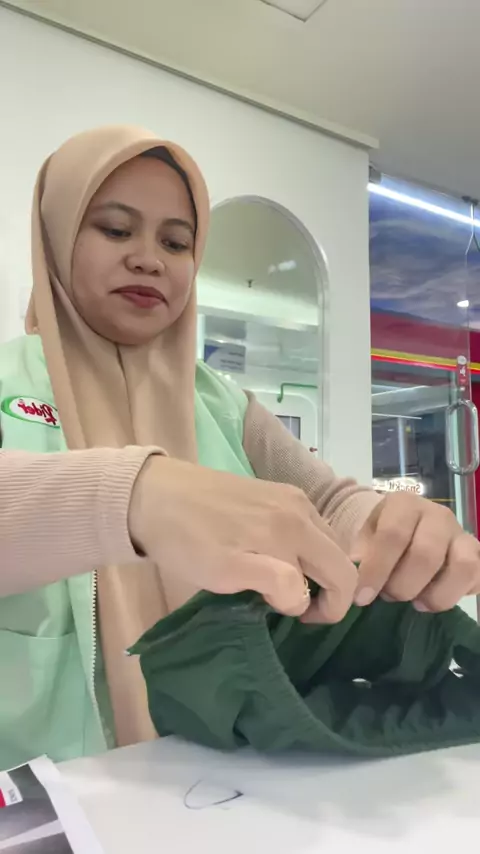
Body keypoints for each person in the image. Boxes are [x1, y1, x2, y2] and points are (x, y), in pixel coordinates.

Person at [0, 125, 478, 771]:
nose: (149, 259)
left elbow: (330, 502)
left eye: (176, 242)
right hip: (50, 787)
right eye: (115, 229)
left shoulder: (224, 402)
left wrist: (393, 524)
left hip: (224, 773)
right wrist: (130, 497)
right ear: (55, 237)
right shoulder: (8, 380)